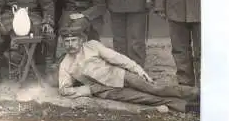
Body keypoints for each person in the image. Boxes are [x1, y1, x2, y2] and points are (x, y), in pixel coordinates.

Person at [57, 21, 200, 113]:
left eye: (73, 40)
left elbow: (118, 58)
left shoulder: (92, 46)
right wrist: (87, 89)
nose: (70, 44)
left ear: (81, 40)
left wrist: (138, 69)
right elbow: (64, 90)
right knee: (147, 99)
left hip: (121, 75)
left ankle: (196, 94)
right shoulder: (65, 64)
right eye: (67, 41)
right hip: (106, 91)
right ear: (63, 43)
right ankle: (187, 107)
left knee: (156, 88)